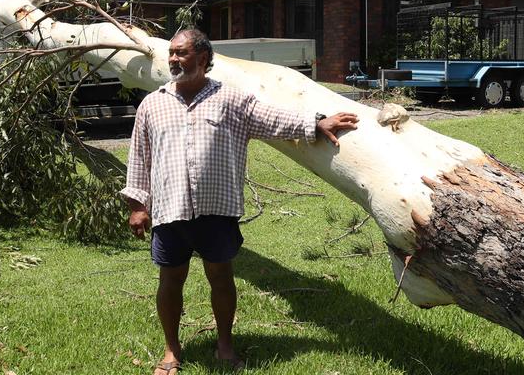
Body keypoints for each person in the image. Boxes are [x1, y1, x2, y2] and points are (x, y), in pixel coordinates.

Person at [120, 28, 358, 375]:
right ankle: (172, 351)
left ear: (202, 58)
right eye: (171, 53)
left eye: (181, 53)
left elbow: (272, 119)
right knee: (170, 280)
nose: (173, 59)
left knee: (221, 276)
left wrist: (317, 122)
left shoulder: (231, 100)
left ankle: (225, 346)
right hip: (170, 209)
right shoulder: (152, 104)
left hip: (217, 209)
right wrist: (138, 205)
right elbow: (139, 158)